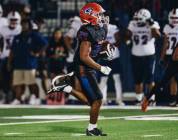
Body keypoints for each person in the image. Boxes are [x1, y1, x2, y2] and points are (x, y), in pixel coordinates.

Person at [48, 3, 115, 136]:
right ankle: (91, 129)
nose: (103, 17)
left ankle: (66, 88)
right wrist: (101, 67)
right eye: (99, 14)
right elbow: (84, 57)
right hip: (83, 67)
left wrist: (107, 49)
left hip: (90, 65)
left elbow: (100, 44)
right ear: (91, 17)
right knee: (97, 99)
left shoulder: (101, 27)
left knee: (93, 101)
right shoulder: (85, 31)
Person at [9, 18, 48, 105]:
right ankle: (18, 99)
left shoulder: (34, 35)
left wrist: (37, 53)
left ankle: (36, 97)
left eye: (26, 24)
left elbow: (45, 43)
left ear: (29, 25)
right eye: (22, 24)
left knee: (31, 83)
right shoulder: (17, 37)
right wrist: (9, 62)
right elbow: (12, 50)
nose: (24, 26)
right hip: (18, 63)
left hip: (30, 63)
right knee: (17, 83)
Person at [127, 9, 160, 104]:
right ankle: (139, 99)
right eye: (136, 18)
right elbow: (127, 35)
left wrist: (151, 25)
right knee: (138, 79)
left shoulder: (153, 24)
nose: (137, 20)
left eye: (139, 18)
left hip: (149, 55)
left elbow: (158, 35)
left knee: (150, 79)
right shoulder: (132, 23)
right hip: (136, 54)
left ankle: (151, 98)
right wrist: (128, 42)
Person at [160, 8, 178, 106]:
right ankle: (174, 98)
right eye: (172, 17)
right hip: (169, 55)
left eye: (176, 17)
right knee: (172, 78)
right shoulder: (167, 27)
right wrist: (162, 56)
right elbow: (165, 44)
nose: (174, 19)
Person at [99, 23, 124, 106]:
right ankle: (102, 100)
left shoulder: (113, 27)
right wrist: (103, 46)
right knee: (103, 79)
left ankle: (119, 100)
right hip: (104, 57)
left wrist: (110, 46)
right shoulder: (98, 28)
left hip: (114, 57)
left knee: (116, 78)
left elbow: (119, 41)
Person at [0, 11, 21, 104]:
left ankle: (15, 97)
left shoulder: (20, 29)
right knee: (3, 78)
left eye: (15, 20)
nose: (13, 22)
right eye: (11, 20)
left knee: (14, 79)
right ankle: (5, 95)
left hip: (16, 58)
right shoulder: (2, 29)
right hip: (4, 56)